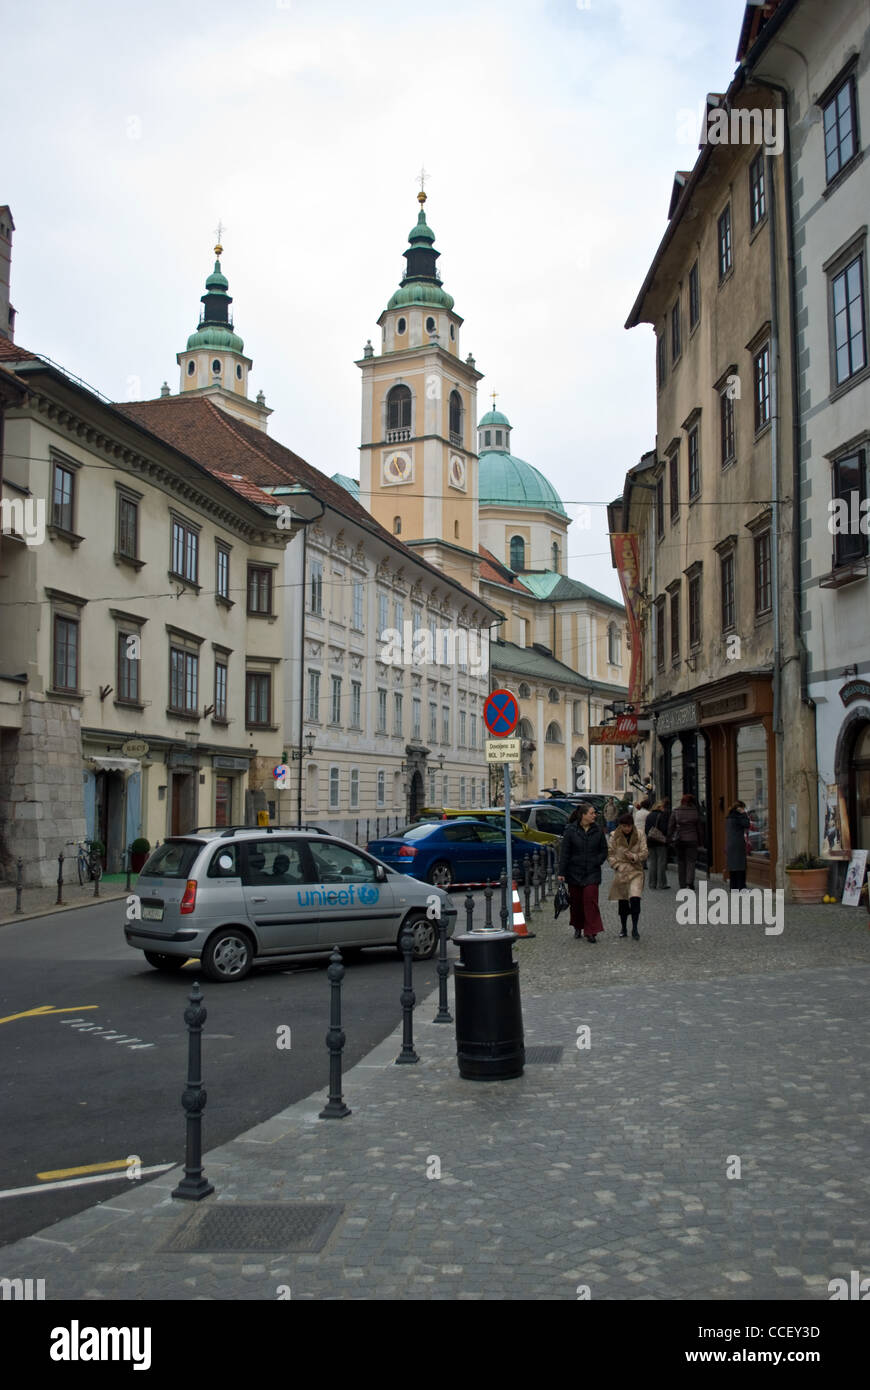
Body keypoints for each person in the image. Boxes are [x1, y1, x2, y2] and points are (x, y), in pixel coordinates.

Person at [558, 803, 609, 943]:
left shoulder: (598, 830)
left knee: (591, 901)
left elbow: (604, 850)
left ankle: (591, 931)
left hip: (592, 872)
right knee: (577, 903)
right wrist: (561, 872)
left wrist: (597, 861)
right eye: (592, 813)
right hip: (574, 871)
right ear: (583, 815)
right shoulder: (570, 830)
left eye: (594, 813)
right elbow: (565, 853)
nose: (594, 815)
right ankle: (577, 926)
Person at [608, 812, 648, 939]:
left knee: (635, 899)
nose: (627, 829)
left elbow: (645, 851)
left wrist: (635, 857)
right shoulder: (614, 836)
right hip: (622, 871)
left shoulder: (640, 834)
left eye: (629, 826)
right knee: (623, 901)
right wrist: (617, 865)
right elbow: (610, 854)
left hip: (636, 871)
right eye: (624, 826)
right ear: (620, 826)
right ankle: (623, 927)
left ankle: (635, 928)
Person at [668, 793, 703, 889]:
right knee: (691, 861)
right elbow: (699, 829)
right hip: (692, 839)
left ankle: (682, 884)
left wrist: (669, 838)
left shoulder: (676, 811)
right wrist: (700, 841)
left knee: (681, 862)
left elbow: (671, 826)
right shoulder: (695, 812)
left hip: (679, 840)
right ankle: (689, 882)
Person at [725, 800, 751, 892]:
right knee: (740, 866)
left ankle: (733, 887)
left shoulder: (729, 817)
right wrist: (744, 814)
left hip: (730, 844)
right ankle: (741, 887)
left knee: (733, 867)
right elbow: (747, 824)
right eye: (743, 808)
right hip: (738, 844)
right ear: (739, 808)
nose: (744, 810)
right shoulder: (738, 817)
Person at [644, 798, 670, 889]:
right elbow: (664, 829)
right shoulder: (662, 815)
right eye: (663, 807)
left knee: (652, 862)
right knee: (661, 862)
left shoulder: (649, 815)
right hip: (660, 841)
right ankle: (661, 883)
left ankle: (652, 883)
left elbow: (646, 829)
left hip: (650, 841)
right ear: (660, 807)